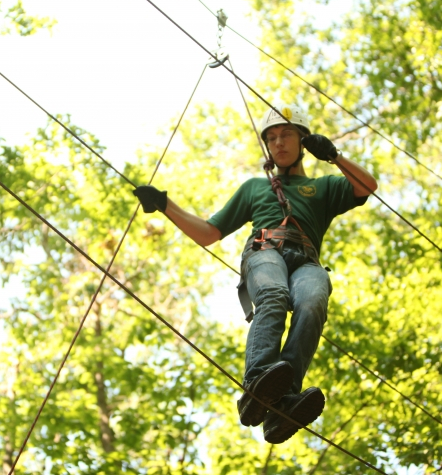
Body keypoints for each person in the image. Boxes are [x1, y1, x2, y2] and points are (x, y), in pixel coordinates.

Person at [133, 104, 377, 444]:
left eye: (286, 135)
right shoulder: (254, 188)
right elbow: (208, 233)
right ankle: (258, 381)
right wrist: (165, 206)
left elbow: (367, 186)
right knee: (274, 295)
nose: (278, 143)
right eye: (272, 138)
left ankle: (282, 403)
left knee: (312, 302)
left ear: (303, 141)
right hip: (265, 251)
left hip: (307, 260)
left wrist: (334, 156)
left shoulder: (322, 188)